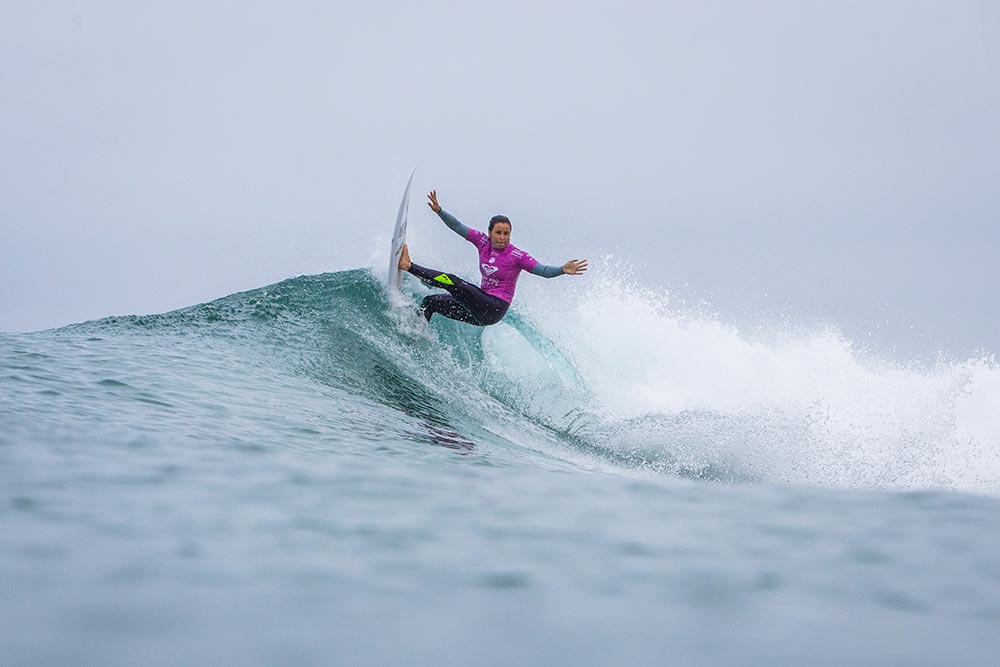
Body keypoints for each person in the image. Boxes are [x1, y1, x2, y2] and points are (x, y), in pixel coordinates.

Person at [398, 190, 588, 326]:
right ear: (490, 232)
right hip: (477, 311)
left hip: (494, 308)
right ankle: (415, 332)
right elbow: (457, 226)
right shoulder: (482, 242)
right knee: (431, 302)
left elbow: (544, 271)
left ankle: (409, 266)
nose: (502, 237)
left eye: (506, 233)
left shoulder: (517, 256)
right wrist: (440, 211)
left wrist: (562, 269)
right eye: (498, 232)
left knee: (452, 281)